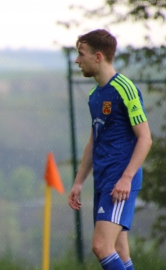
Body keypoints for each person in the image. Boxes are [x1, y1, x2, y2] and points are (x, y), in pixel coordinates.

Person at [68, 29, 152, 270]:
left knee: (101, 247)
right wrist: (78, 182)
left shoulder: (124, 88)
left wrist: (126, 178)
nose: (77, 60)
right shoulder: (95, 95)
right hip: (104, 180)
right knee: (119, 250)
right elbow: (94, 141)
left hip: (119, 181)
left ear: (98, 57)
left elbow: (145, 138)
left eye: (81, 54)